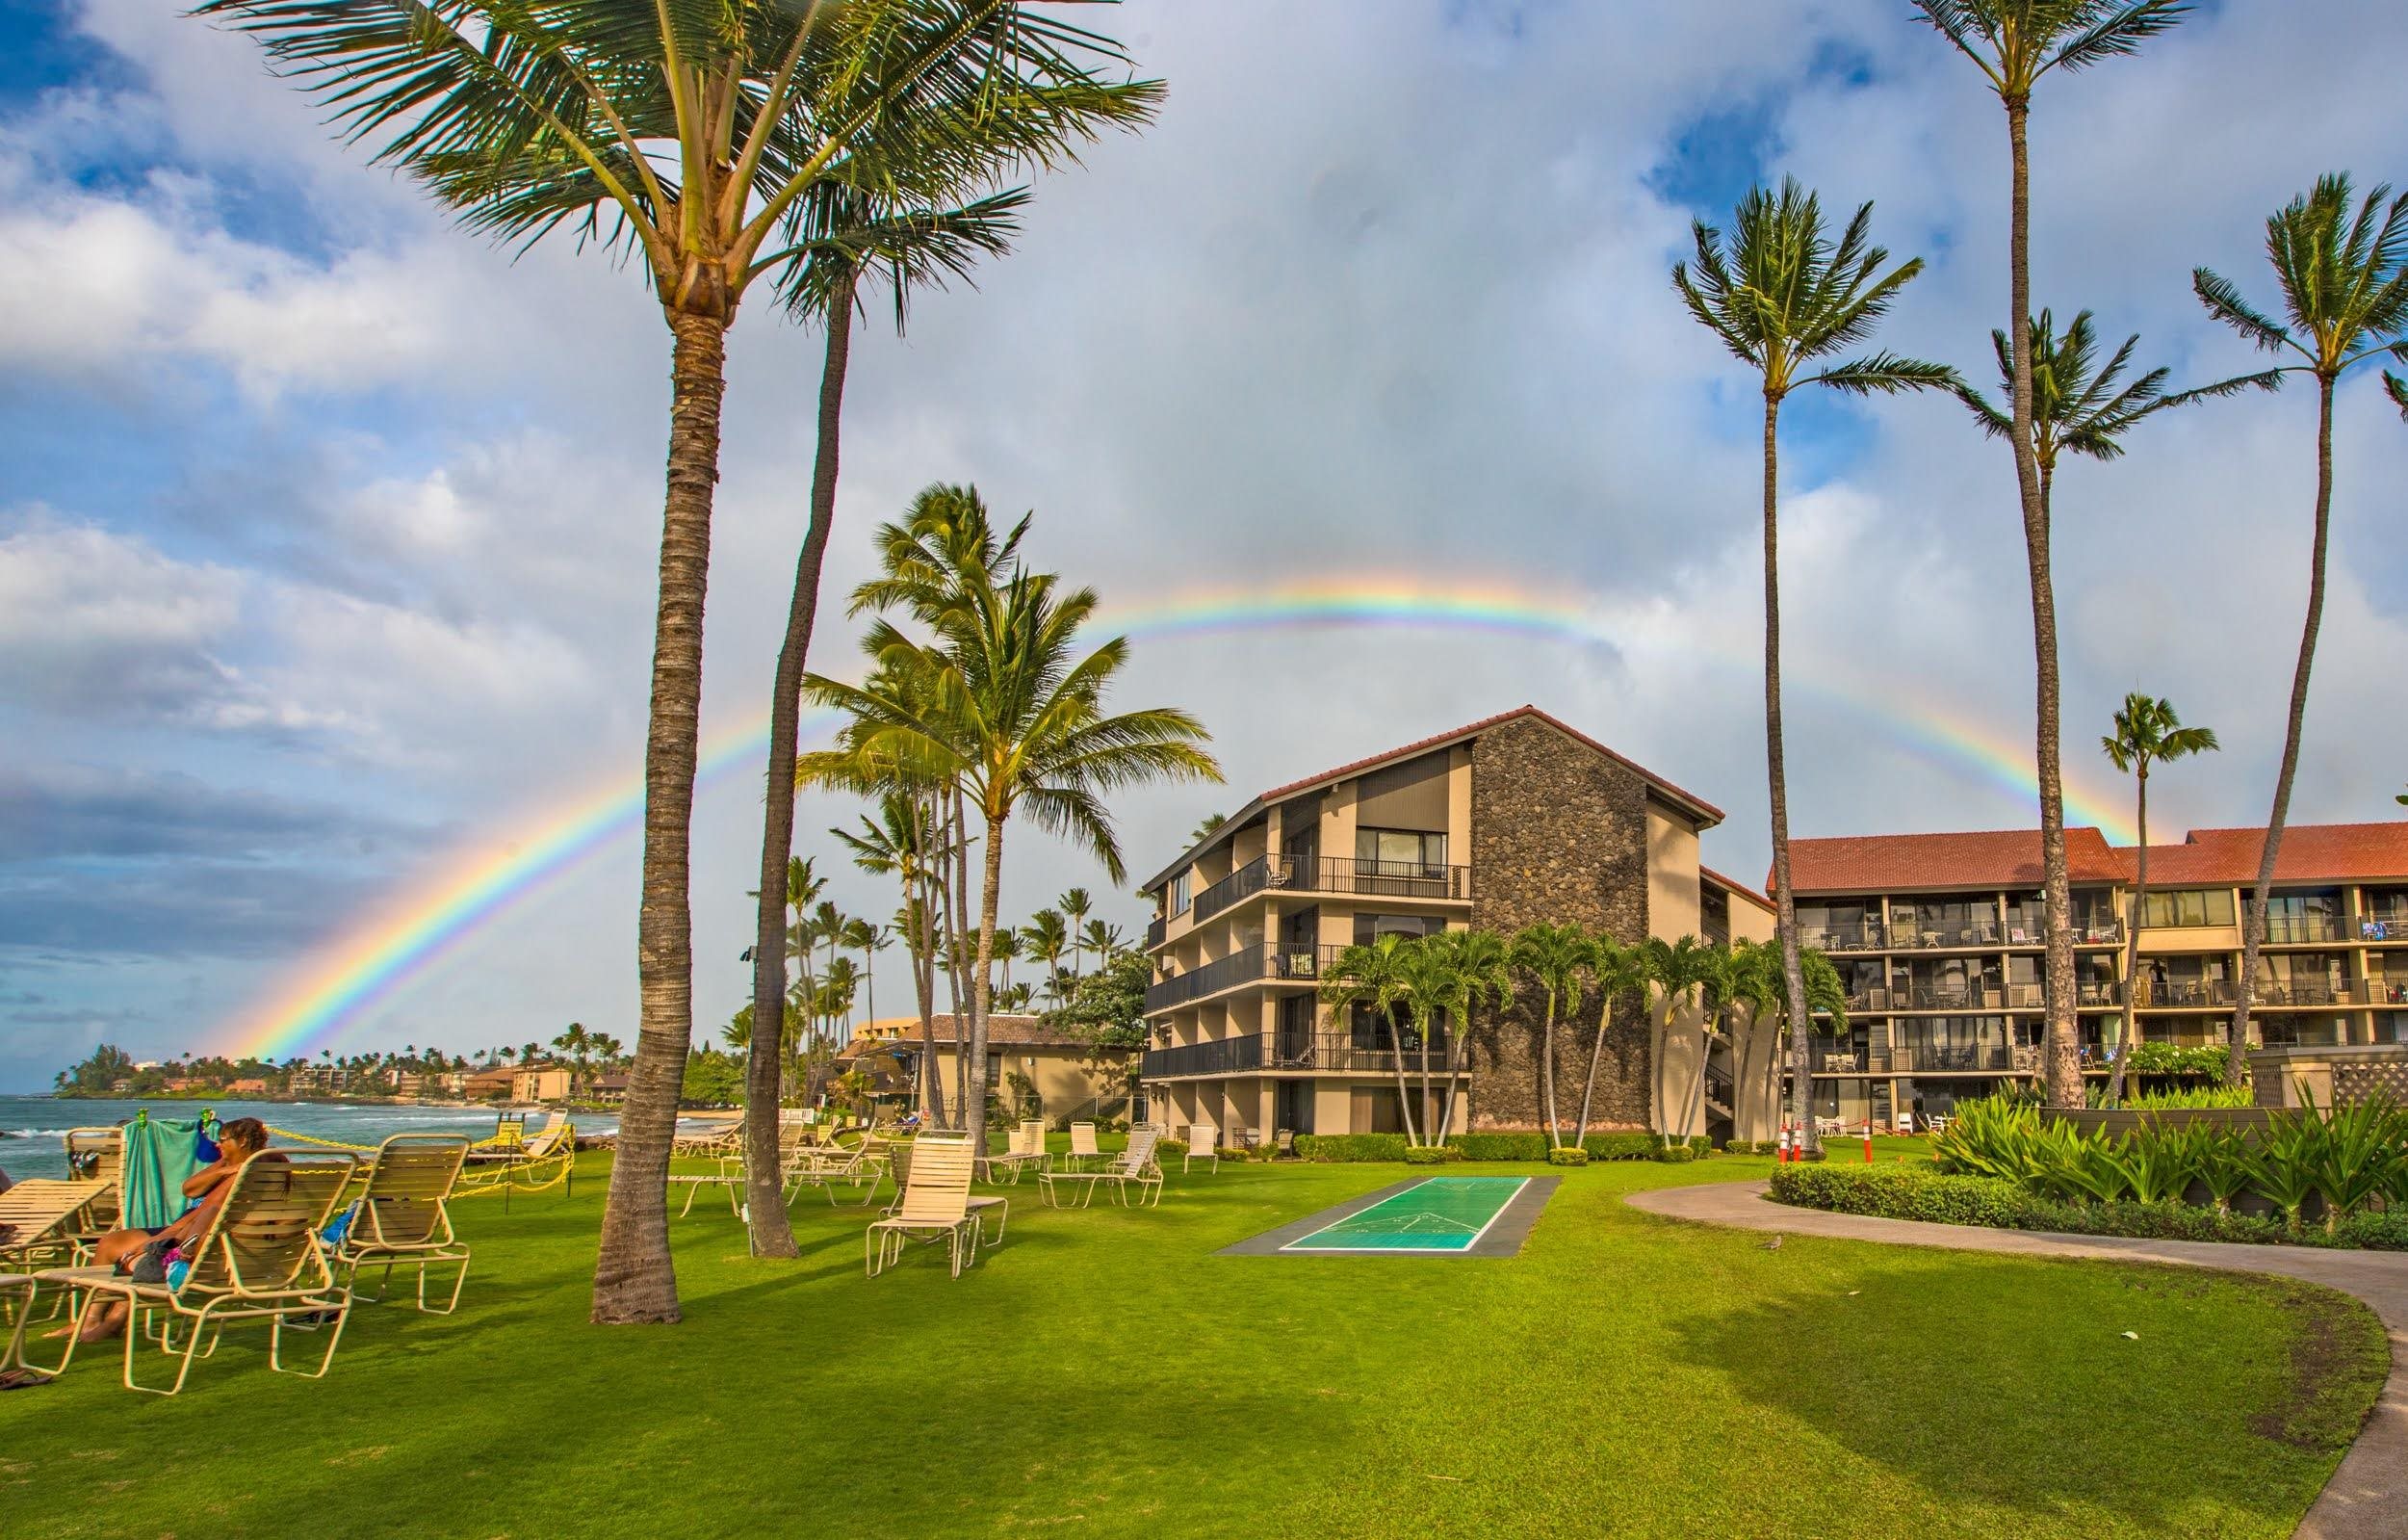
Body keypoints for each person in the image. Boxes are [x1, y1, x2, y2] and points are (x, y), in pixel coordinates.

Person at [49, 1117, 279, 1344]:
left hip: (193, 1233)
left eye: (223, 1140)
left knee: (125, 1251)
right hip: (203, 1232)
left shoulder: (248, 1171)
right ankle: (94, 1319)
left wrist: (157, 1240)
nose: (217, 1144)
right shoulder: (244, 1165)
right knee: (111, 1242)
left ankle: (110, 1320)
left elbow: (204, 1213)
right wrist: (223, 1167)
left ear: (244, 1141)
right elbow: (189, 1189)